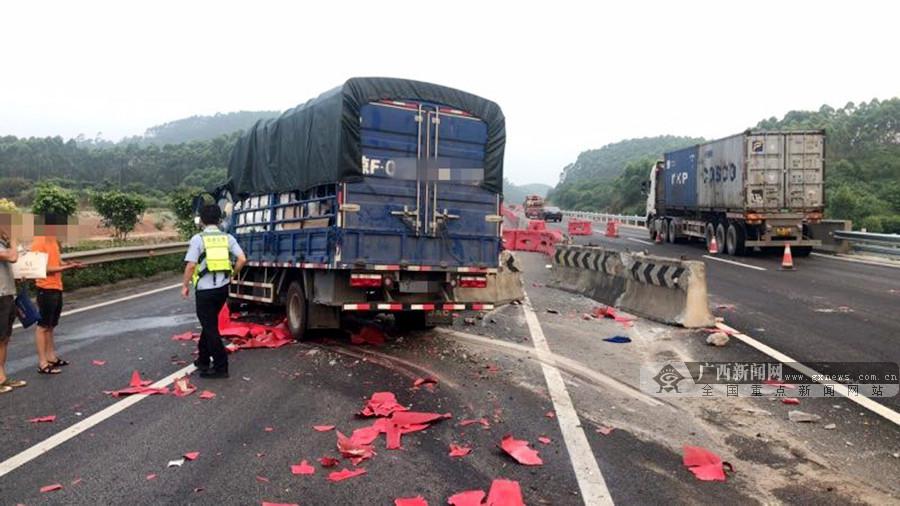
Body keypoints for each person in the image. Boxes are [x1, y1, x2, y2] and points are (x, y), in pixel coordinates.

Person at [182, 204, 246, 378]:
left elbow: (191, 265)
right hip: (221, 290)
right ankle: (203, 360)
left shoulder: (198, 239)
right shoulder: (227, 238)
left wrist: (185, 285)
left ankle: (221, 367)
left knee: (210, 328)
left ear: (201, 220)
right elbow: (241, 259)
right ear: (219, 220)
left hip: (205, 291)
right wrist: (232, 274)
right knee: (209, 324)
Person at [31, 214, 84, 375]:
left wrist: (69, 264)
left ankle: (51, 356)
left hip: (56, 287)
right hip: (45, 287)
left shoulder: (53, 240)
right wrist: (66, 268)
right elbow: (43, 268)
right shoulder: (39, 242)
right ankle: (42, 362)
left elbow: (56, 262)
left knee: (51, 325)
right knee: (42, 326)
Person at [0, 215, 25, 393]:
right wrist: (14, 241)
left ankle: (2, 377)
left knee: (4, 338)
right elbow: (12, 257)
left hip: (7, 293)